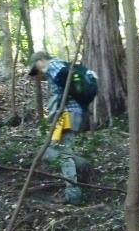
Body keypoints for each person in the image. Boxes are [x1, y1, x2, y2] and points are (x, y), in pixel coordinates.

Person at [26, 51, 91, 205]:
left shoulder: (53, 65)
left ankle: (73, 194)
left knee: (64, 154)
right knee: (61, 149)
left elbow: (65, 84)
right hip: (68, 115)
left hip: (68, 115)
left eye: (36, 67)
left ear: (41, 61)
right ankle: (82, 170)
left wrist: (59, 108)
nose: (38, 73)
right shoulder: (58, 66)